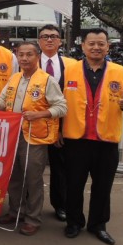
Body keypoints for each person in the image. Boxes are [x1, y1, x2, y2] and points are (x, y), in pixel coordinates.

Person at [62, 28, 123, 245]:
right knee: (74, 184)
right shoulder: (69, 70)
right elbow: (57, 101)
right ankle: (74, 223)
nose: (96, 47)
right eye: (91, 43)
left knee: (103, 186)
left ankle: (98, 225)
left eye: (101, 44)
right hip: (76, 139)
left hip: (106, 140)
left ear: (107, 47)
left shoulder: (119, 72)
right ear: (83, 46)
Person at [0, 42, 67, 236]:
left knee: (33, 179)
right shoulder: (14, 78)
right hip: (13, 136)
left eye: (29, 55)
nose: (24, 58)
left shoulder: (46, 80)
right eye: (21, 55)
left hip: (34, 137)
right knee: (14, 177)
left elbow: (62, 107)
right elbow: (1, 102)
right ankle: (16, 210)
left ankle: (33, 218)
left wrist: (41, 114)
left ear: (37, 56)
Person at [37, 24, 77, 222]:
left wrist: (60, 129)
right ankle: (28, 205)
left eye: (53, 36)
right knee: (32, 168)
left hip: (60, 126)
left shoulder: (72, 65)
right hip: (33, 125)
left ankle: (60, 205)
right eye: (45, 37)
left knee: (60, 168)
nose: (49, 40)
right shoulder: (28, 62)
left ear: (60, 41)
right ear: (39, 41)